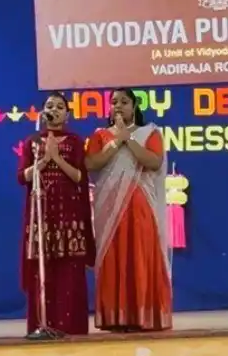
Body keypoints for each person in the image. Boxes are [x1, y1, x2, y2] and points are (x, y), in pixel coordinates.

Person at [86, 87, 172, 332]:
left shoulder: (149, 133)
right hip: (109, 210)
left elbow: (153, 162)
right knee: (114, 257)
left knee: (140, 256)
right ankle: (115, 317)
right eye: (114, 102)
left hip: (141, 207)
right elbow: (92, 163)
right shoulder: (100, 135)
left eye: (124, 102)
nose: (119, 106)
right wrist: (116, 142)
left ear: (134, 107)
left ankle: (144, 316)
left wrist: (129, 139)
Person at [17, 93, 92, 335]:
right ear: (42, 111)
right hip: (41, 214)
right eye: (50, 106)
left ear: (67, 115)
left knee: (69, 273)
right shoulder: (32, 141)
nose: (55, 110)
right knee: (42, 271)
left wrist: (56, 159)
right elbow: (22, 177)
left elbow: (80, 177)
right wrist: (42, 161)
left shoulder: (75, 141)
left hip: (68, 216)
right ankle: (42, 325)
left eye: (60, 107)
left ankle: (70, 327)